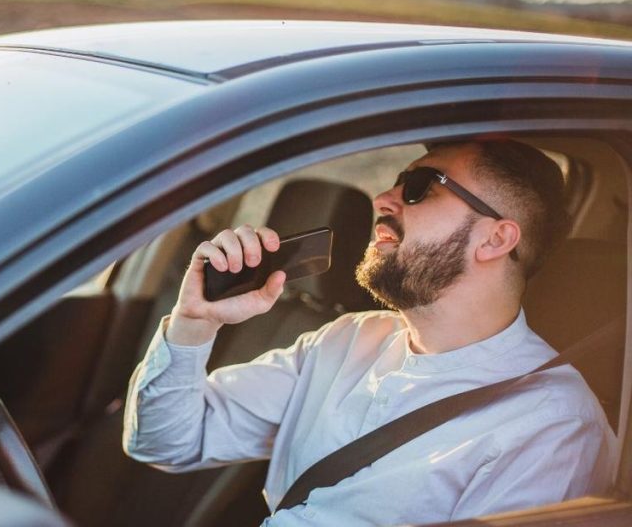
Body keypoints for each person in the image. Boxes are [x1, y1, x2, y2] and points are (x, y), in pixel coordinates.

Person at [122, 139, 617, 526]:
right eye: (398, 181)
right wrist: (195, 323)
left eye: (420, 186)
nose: (383, 198)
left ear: (495, 238)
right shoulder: (345, 341)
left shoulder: (552, 426)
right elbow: (165, 442)